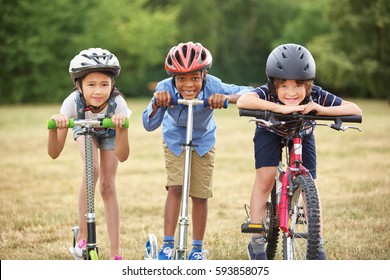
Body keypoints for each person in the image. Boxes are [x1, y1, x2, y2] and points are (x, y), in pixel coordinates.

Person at [237, 43, 362, 260]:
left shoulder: (317, 95)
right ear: (274, 85)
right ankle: (256, 243)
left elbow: (355, 109)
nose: (291, 93)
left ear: (308, 84)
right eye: (283, 86)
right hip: (269, 132)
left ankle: (317, 243)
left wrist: (322, 110)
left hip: (302, 136)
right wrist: (280, 108)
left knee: (310, 184)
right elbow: (243, 101)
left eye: (297, 86)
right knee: (265, 180)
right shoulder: (267, 92)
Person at [142, 41, 252, 260]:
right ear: (173, 77)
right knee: (176, 187)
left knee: (200, 195)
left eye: (195, 78)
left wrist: (226, 98)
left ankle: (197, 249)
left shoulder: (214, 85)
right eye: (181, 78)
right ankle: (168, 244)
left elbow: (250, 93)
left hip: (203, 141)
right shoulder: (164, 88)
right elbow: (149, 124)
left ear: (204, 74)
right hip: (175, 139)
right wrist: (156, 103)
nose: (188, 85)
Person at [47, 48, 131, 260]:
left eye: (104, 84)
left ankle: (115, 253)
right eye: (91, 84)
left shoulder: (118, 104)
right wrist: (55, 127)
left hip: (111, 130)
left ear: (112, 84)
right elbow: (55, 153)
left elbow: (123, 155)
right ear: (79, 85)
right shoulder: (72, 103)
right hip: (84, 128)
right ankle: (83, 236)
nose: (98, 91)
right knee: (91, 170)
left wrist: (123, 129)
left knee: (107, 185)